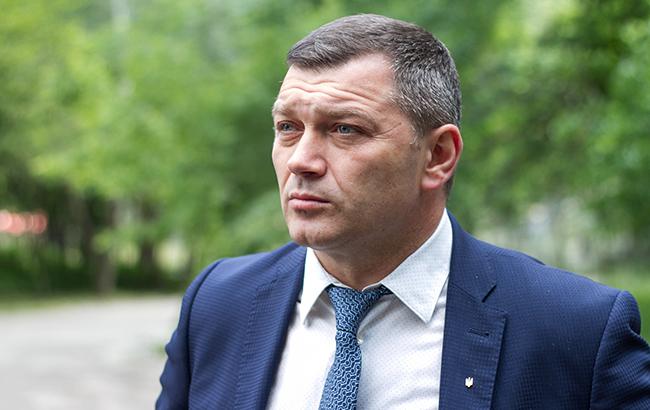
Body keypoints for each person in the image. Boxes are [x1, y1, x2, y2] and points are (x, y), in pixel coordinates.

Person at [157, 14, 650, 409]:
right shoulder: (219, 301)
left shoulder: (575, 330)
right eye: (288, 127)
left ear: (438, 156)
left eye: (345, 129)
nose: (301, 161)